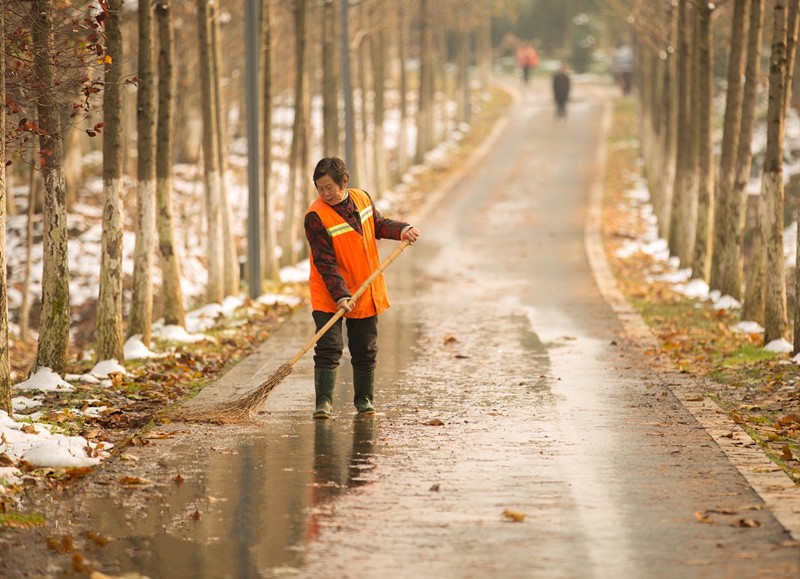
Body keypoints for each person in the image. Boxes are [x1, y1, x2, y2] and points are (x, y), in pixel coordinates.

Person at [304, 157, 420, 419]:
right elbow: (324, 261)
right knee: (329, 347)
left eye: (329, 188)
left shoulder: (362, 199)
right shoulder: (315, 216)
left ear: (344, 182)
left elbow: (378, 225)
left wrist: (402, 229)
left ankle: (364, 401)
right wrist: (340, 294)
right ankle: (323, 403)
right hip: (330, 290)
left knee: (365, 348)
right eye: (319, 189)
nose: (325, 194)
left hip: (364, 287)